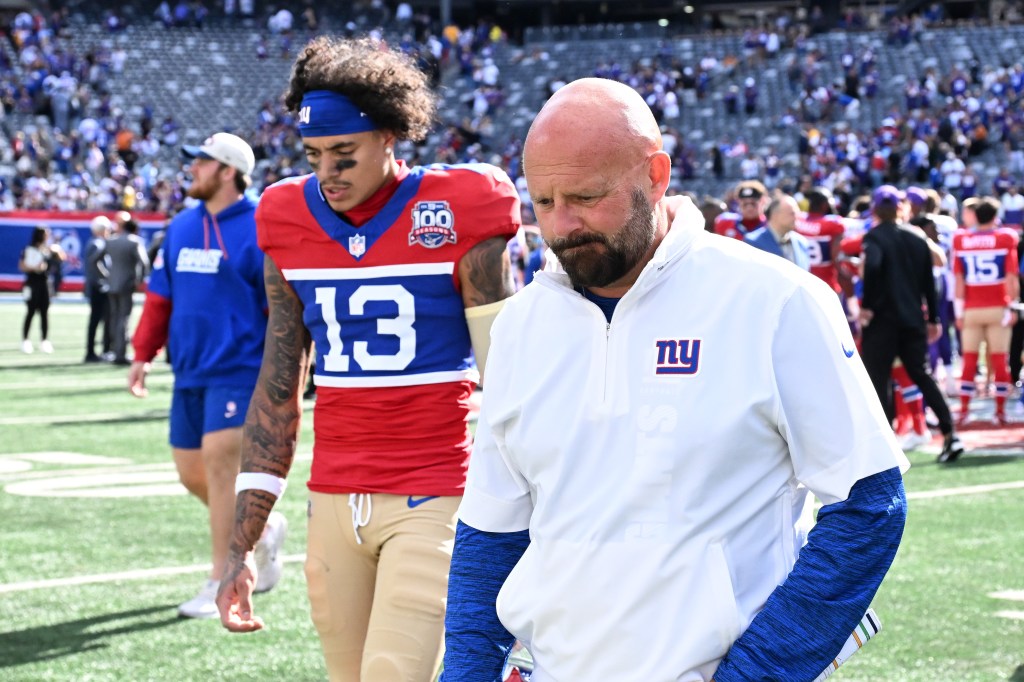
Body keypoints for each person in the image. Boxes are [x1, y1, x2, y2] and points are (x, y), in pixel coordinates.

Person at [442, 78, 908, 681]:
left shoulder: (775, 300)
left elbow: (870, 502)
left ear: (656, 175)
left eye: (585, 196)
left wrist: (757, 673)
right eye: (545, 200)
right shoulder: (521, 326)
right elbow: (490, 533)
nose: (562, 224)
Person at [214, 36, 520, 682]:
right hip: (332, 498)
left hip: (433, 491)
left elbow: (512, 376)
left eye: (344, 154)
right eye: (314, 155)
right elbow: (278, 385)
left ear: (390, 136)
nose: (328, 172)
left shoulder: (457, 206)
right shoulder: (286, 216)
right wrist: (241, 544)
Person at [128, 132, 286, 619]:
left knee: (221, 466)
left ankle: (221, 578)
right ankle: (265, 525)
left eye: (201, 161)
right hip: (189, 370)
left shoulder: (262, 223)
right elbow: (161, 297)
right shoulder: (180, 225)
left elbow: (279, 305)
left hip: (241, 368)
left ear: (228, 171)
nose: (191, 169)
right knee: (190, 472)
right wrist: (142, 354)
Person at [859, 185, 965, 464]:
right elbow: (930, 281)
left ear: (874, 210)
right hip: (912, 319)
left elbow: (872, 268)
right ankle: (950, 433)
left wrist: (867, 306)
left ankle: (882, 446)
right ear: (900, 208)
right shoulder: (917, 236)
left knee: (877, 380)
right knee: (921, 374)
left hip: (882, 320)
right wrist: (933, 318)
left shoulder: (873, 237)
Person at [950, 196, 1020, 425]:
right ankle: (999, 412)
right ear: (995, 216)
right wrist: (1012, 306)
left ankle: (963, 411)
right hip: (998, 307)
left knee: (969, 361)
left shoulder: (962, 239)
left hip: (971, 308)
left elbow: (958, 280)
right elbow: (1011, 278)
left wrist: (959, 312)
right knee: (1000, 360)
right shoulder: (1004, 237)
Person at [105, 213, 149, 365]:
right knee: (123, 318)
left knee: (114, 317)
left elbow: (95, 259)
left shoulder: (111, 241)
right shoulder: (134, 242)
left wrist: (105, 275)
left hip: (112, 283)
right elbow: (144, 262)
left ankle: (114, 349)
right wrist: (139, 279)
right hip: (126, 284)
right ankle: (120, 353)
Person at [743, 193, 812, 270]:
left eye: (798, 213)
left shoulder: (802, 242)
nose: (797, 217)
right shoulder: (754, 242)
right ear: (775, 215)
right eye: (792, 213)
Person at [19, 225, 55, 354]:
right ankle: (25, 340)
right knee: (31, 311)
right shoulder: (29, 249)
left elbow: (61, 259)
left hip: (44, 283)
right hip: (32, 283)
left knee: (44, 312)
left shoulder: (48, 250)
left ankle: (44, 340)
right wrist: (35, 267)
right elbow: (22, 266)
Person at [84, 215, 112, 362]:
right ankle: (92, 352)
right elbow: (94, 263)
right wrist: (108, 276)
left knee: (98, 320)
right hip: (98, 287)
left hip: (97, 286)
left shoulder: (95, 243)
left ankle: (95, 351)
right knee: (97, 320)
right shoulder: (97, 243)